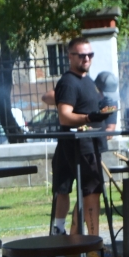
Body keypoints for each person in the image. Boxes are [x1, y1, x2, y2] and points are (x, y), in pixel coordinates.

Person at [50, 36, 112, 238]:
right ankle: (92, 244)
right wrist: (89, 117)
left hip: (89, 144)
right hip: (80, 145)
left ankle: (76, 239)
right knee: (92, 191)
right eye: (82, 55)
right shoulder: (68, 82)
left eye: (90, 55)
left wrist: (101, 112)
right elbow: (65, 116)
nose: (87, 59)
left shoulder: (87, 80)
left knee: (89, 191)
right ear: (70, 56)